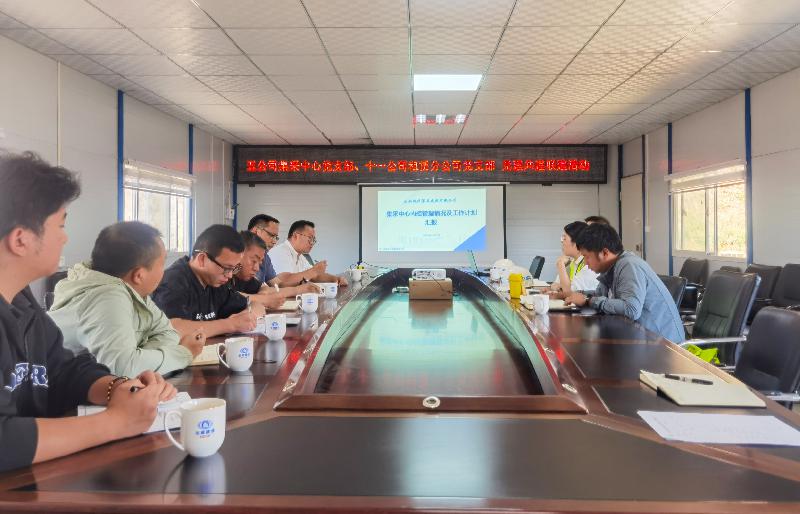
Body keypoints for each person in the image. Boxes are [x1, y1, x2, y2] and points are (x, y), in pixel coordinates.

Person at [0, 152, 175, 472]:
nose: (65, 237)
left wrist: (119, 388)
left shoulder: (22, 302)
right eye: (60, 224)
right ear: (20, 240)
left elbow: (63, 370)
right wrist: (117, 422)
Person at [49, 222, 205, 377]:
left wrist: (139, 358)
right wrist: (184, 353)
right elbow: (123, 368)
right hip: (59, 388)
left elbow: (168, 333)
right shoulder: (108, 297)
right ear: (139, 275)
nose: (164, 270)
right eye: (162, 263)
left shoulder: (133, 291)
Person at [564, 223, 685, 343]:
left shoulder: (629, 265)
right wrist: (577, 295)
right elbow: (599, 294)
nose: (585, 263)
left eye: (586, 257)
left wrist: (588, 301)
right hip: (640, 337)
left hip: (663, 344)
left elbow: (631, 310)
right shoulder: (611, 267)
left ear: (605, 253)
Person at [152, 224, 265, 338]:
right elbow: (171, 329)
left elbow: (256, 305)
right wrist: (230, 324)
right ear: (202, 259)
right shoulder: (174, 282)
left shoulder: (215, 283)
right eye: (226, 268)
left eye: (233, 269)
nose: (230, 275)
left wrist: (248, 316)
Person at [231, 232, 319, 303]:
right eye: (254, 261)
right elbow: (233, 297)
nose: (257, 268)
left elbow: (265, 288)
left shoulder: (245, 278)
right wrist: (264, 299)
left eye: (259, 263)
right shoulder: (225, 278)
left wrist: (298, 290)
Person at [247, 214, 325, 293]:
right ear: (256, 231)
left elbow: (278, 284)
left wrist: (302, 287)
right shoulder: (242, 254)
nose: (274, 242)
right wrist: (297, 290)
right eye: (271, 235)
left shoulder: (265, 257)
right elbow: (257, 292)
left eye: (276, 237)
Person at [268, 220, 347, 287]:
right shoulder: (280, 251)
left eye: (314, 240)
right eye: (310, 238)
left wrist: (336, 279)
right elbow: (283, 281)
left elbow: (315, 276)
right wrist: (314, 270)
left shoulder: (300, 255)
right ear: (295, 236)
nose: (312, 243)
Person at [548, 221, 598, 299]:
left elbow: (568, 293)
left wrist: (560, 265)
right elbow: (555, 285)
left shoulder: (589, 265)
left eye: (564, 238)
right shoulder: (572, 261)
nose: (561, 242)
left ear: (576, 243)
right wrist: (559, 288)